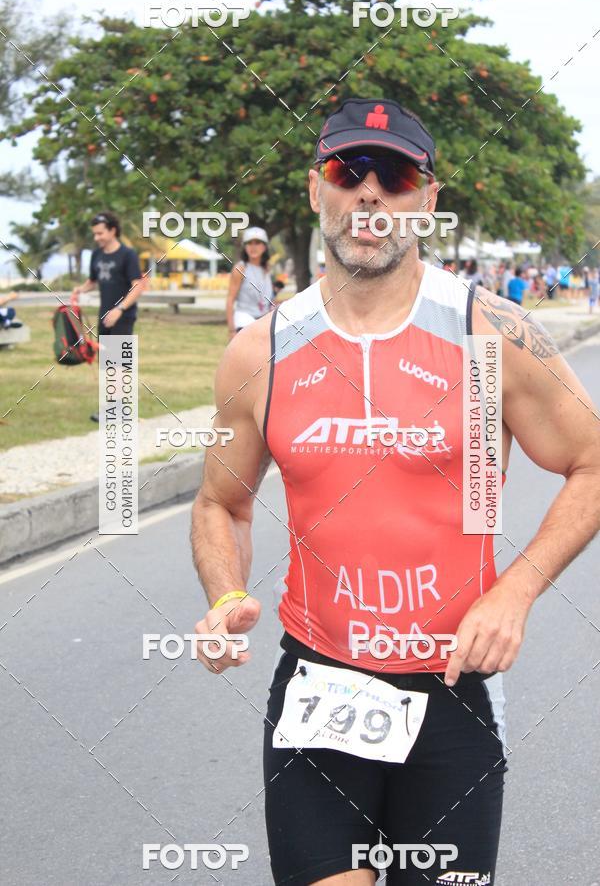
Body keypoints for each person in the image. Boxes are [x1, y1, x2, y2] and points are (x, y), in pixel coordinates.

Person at [190, 97, 600, 886]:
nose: (370, 193)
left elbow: (592, 462)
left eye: (397, 174)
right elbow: (220, 501)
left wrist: (513, 593)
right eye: (349, 170)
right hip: (318, 685)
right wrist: (225, 591)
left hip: (452, 693)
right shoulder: (261, 351)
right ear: (318, 190)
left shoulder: (489, 335)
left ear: (428, 200)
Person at [71, 211, 144, 421]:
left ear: (113, 230)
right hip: (104, 315)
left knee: (119, 362)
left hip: (123, 316)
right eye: (94, 234)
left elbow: (137, 286)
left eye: (100, 233)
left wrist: (120, 309)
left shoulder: (128, 255)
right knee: (108, 362)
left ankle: (117, 409)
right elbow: (93, 281)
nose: (97, 238)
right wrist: (79, 290)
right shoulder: (96, 254)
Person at [226, 227, 273, 339]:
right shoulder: (241, 268)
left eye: (257, 243)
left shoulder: (266, 269)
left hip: (264, 320)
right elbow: (230, 300)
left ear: (264, 246)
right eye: (249, 243)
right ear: (245, 247)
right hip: (244, 321)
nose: (253, 247)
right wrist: (231, 330)